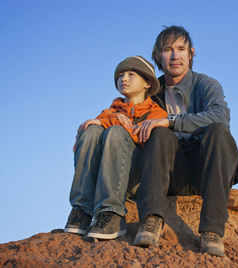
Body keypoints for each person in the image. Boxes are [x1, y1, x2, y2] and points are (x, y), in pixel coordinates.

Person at [131, 26, 238, 257]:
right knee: (159, 133)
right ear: (158, 56)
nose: (175, 56)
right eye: (167, 50)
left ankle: (212, 232)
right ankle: (151, 221)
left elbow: (220, 116)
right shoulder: (151, 91)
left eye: (181, 49)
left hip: (206, 171)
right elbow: (128, 116)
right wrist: (99, 123)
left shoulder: (206, 84)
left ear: (191, 53)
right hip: (168, 172)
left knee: (218, 131)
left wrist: (171, 121)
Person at [64, 56, 167, 240]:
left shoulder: (156, 112)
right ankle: (81, 210)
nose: (123, 79)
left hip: (135, 177)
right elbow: (78, 148)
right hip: (105, 176)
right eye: (120, 75)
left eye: (131, 74)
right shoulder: (110, 111)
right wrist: (87, 133)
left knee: (116, 132)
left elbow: (148, 141)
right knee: (92, 130)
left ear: (147, 83)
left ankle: (113, 213)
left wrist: (115, 124)